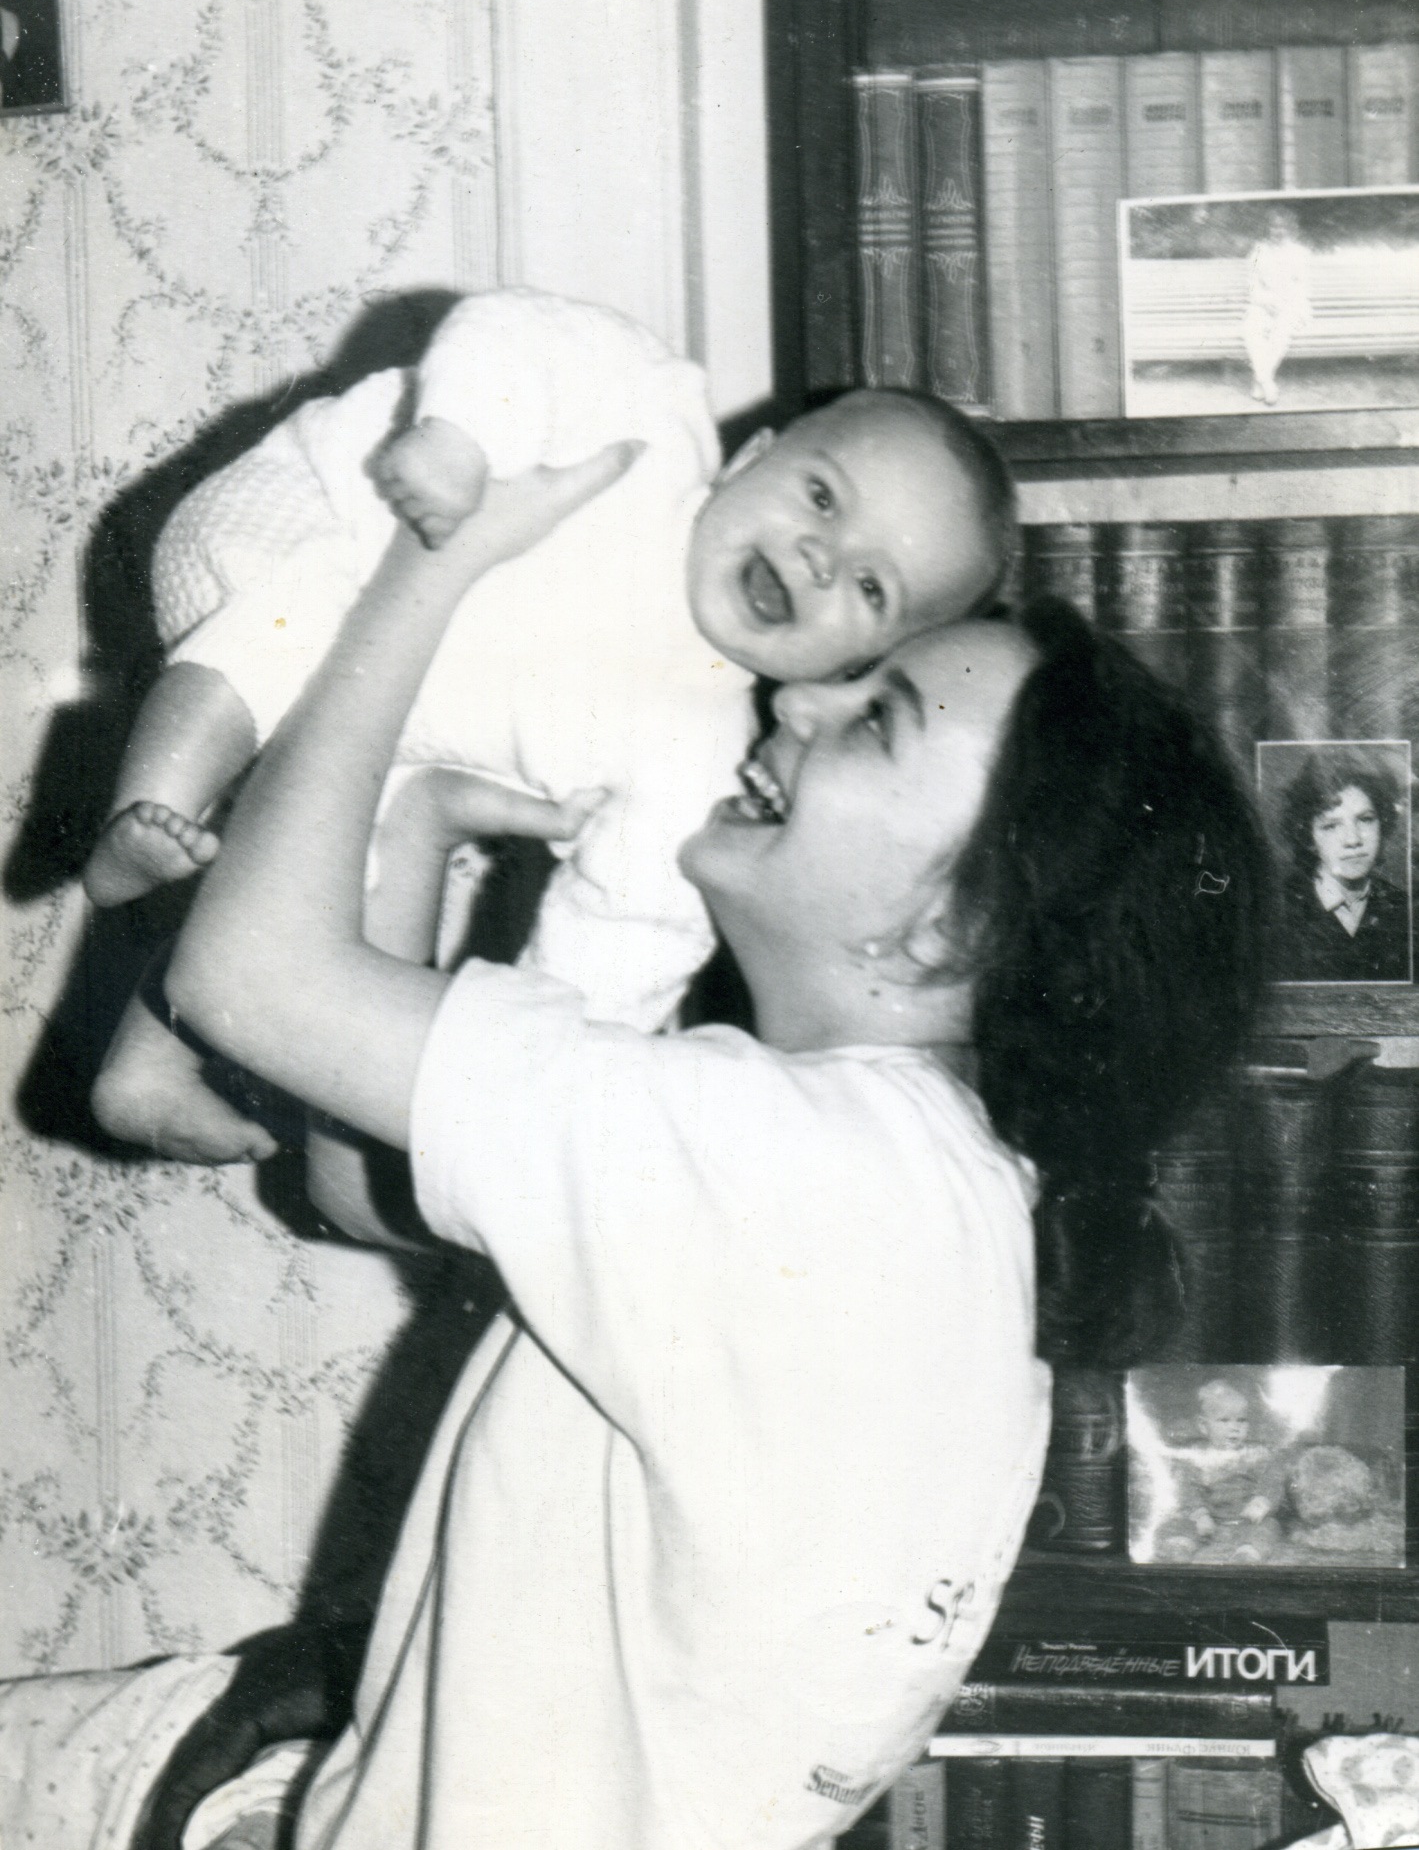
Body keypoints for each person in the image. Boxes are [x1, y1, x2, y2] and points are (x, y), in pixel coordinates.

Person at [55, 442, 1257, 1850]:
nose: (797, 695)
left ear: (954, 924)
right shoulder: (891, 1169)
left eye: (875, 721)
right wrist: (419, 821)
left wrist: (428, 569)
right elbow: (363, 1188)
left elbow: (245, 981)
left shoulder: (806, 1173)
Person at [84, 288, 1013, 1163]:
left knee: (319, 861)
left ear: (863, 661)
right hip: (311, 514)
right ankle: (147, 805)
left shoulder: (696, 769)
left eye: (869, 586)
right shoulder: (653, 437)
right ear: (750, 457)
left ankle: (148, 1059)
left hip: (352, 727)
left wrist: (536, 1045)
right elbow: (519, 333)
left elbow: (621, 946)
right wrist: (460, 437)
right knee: (298, 622)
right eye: (820, 497)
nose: (819, 557)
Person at [1274, 752, 1411, 983]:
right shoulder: (1278, 910)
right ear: (1308, 837)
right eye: (1331, 826)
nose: (1353, 840)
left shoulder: (1405, 908)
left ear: (1383, 824)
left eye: (1365, 819)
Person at [1151, 1378, 1286, 1565]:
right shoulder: (1197, 1457)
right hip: (1208, 1522)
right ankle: (1181, 1547)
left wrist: (1262, 1502)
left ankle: (1247, 1554)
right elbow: (1188, 1489)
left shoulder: (1255, 1454)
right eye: (1224, 1420)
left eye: (1241, 1420)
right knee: (1176, 1525)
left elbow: (1272, 1479)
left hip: (1247, 1521)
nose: (1235, 1428)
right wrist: (1200, 1515)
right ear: (1203, 1426)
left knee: (1269, 1527)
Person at [1242, 207, 1310, 408]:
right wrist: (1265, 302)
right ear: (1267, 229)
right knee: (1250, 329)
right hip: (1263, 303)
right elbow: (1252, 285)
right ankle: (1267, 381)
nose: (1278, 231)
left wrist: (1283, 304)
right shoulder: (1258, 251)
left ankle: (1260, 380)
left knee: (1282, 329)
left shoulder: (1299, 253)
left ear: (1291, 229)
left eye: (1283, 227)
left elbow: (1302, 287)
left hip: (1292, 304)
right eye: (1273, 226)